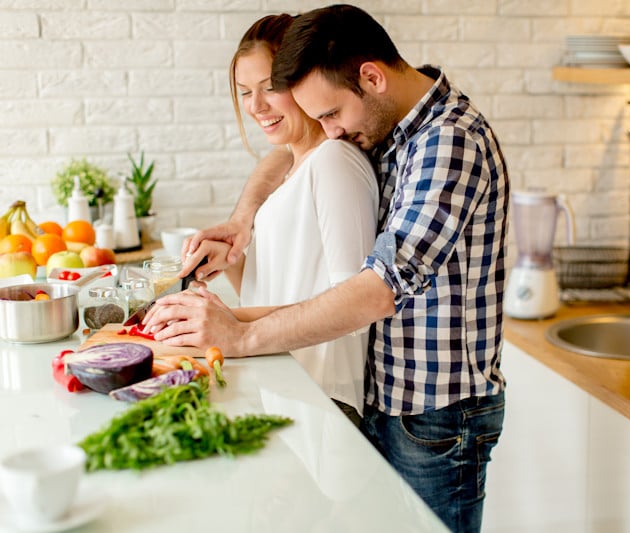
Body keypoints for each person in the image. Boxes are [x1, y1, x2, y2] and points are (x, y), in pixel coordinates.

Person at [143, 5, 509, 532]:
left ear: (371, 78)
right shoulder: (393, 125)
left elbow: (373, 293)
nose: (329, 128)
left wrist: (239, 334)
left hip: (435, 412)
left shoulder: (446, 142)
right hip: (392, 400)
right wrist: (242, 228)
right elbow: (292, 162)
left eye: (330, 112)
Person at [185, 13, 379, 424]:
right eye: (244, 92)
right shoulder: (293, 168)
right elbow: (270, 285)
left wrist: (229, 323)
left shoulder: (335, 162)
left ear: (303, 80)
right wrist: (230, 260)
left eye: (270, 87)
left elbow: (353, 309)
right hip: (284, 385)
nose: (256, 106)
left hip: (324, 396)